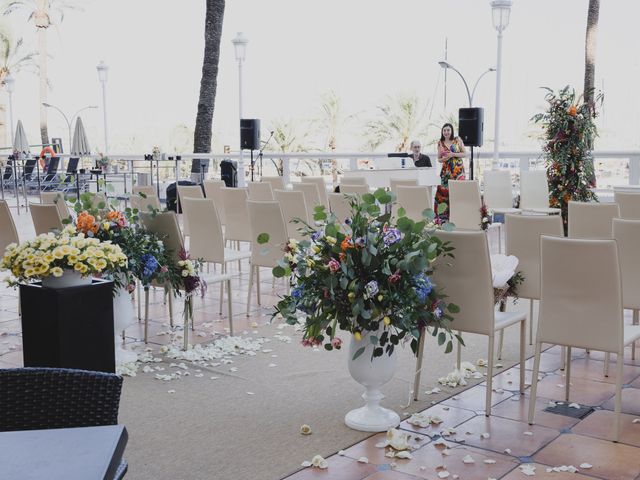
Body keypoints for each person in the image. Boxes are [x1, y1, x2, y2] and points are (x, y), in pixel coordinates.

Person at [434, 123, 466, 222]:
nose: (446, 132)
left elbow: (464, 154)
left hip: (458, 171)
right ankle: (443, 218)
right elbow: (439, 159)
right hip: (446, 172)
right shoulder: (440, 142)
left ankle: (458, 217)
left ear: (451, 131)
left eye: (448, 130)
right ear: (442, 132)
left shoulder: (457, 140)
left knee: (457, 193)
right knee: (442, 194)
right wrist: (444, 159)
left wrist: (452, 154)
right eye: (444, 130)